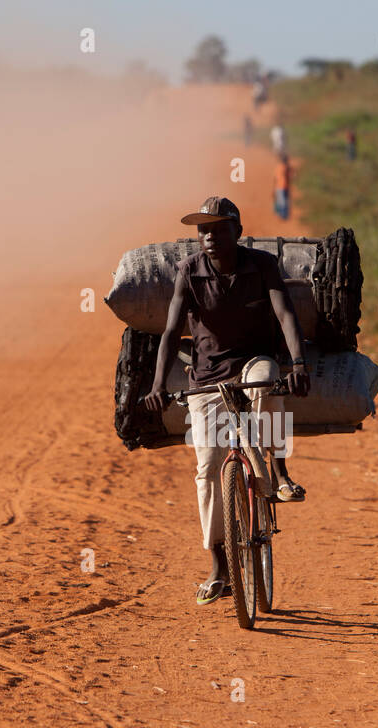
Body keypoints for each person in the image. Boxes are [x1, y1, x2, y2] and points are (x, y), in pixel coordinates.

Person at [145, 196, 311, 606]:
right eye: (203, 231)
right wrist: (155, 385)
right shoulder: (189, 271)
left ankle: (279, 472)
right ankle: (219, 566)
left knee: (267, 382)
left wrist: (299, 362)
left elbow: (286, 313)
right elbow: (169, 332)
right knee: (207, 468)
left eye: (219, 230)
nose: (210, 238)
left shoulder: (262, 265)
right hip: (207, 376)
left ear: (237, 232)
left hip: (254, 361)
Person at [273, 153, 291, 220]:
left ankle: (283, 215)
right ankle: (283, 215)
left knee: (282, 201)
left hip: (281, 186)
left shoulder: (280, 167)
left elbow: (275, 178)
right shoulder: (285, 168)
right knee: (283, 201)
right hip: (282, 186)